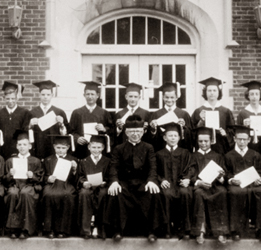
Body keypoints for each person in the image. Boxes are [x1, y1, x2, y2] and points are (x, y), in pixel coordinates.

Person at [104, 115, 166, 242]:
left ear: (143, 132)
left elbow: (153, 167)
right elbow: (113, 167)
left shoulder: (148, 147)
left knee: (153, 192)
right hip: (125, 182)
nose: (135, 134)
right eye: (132, 131)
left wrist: (151, 181)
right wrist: (114, 181)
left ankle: (152, 231)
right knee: (116, 192)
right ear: (126, 132)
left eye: (138, 131)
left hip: (143, 182)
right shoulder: (119, 148)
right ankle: (117, 230)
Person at [189, 127, 229, 244]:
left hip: (215, 185)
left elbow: (224, 175)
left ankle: (220, 231)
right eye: (200, 141)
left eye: (206, 141)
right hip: (201, 186)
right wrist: (198, 182)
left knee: (222, 192)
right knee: (198, 194)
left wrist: (221, 176)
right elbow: (190, 174)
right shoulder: (193, 156)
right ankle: (200, 231)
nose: (203, 144)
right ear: (197, 141)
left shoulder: (217, 156)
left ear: (211, 141)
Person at [3, 130, 43, 239]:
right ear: (16, 146)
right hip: (14, 186)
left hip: (29, 187)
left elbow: (40, 180)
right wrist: (10, 175)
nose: (22, 147)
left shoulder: (35, 161)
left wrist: (32, 176)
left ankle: (25, 230)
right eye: (19, 145)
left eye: (25, 144)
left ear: (30, 146)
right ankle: (13, 229)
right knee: (12, 193)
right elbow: (4, 180)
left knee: (25, 193)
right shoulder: (11, 161)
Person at [156, 122, 192, 239]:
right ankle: (167, 229)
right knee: (166, 194)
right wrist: (161, 180)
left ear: (179, 137)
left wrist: (187, 179)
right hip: (167, 184)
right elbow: (154, 170)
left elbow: (191, 168)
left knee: (185, 193)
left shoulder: (185, 152)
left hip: (180, 183)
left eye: (175, 135)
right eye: (170, 135)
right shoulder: (159, 154)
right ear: (164, 137)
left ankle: (183, 229)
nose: (173, 138)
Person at [225, 125, 261, 240]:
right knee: (235, 193)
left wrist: (259, 179)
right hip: (237, 185)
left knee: (260, 192)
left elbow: (260, 171)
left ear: (249, 140)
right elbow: (226, 172)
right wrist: (231, 180)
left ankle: (259, 229)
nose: (241, 142)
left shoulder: (255, 154)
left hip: (253, 184)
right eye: (239, 139)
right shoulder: (228, 155)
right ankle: (236, 230)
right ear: (234, 139)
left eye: (244, 139)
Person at [42, 135, 78, 238]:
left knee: (68, 196)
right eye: (58, 148)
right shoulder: (48, 160)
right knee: (48, 195)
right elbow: (43, 175)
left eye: (63, 148)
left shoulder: (73, 159)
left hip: (67, 185)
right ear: (54, 147)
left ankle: (63, 230)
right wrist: (48, 179)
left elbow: (76, 179)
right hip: (52, 185)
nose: (61, 150)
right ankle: (49, 229)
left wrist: (75, 169)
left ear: (68, 147)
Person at [77, 135, 110, 239]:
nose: (96, 150)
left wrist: (105, 182)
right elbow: (80, 176)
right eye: (94, 147)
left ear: (103, 148)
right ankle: (85, 230)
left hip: (102, 187)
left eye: (99, 147)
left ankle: (101, 230)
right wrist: (84, 183)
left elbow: (110, 176)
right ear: (89, 147)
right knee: (84, 193)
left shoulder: (107, 161)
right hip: (89, 187)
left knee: (104, 194)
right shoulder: (83, 161)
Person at [70, 81, 114, 159]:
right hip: (81, 149)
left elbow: (111, 130)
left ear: (98, 95)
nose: (90, 97)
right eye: (88, 94)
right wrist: (77, 138)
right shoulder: (77, 112)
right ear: (84, 95)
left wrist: (104, 129)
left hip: (98, 150)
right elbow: (71, 131)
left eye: (92, 94)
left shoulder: (104, 113)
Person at [191, 77, 235, 155]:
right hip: (203, 148)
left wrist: (225, 134)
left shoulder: (226, 111)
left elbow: (232, 131)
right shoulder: (198, 111)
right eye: (209, 90)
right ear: (205, 92)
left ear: (219, 92)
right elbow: (192, 132)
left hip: (221, 147)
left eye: (214, 90)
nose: (212, 93)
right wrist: (201, 121)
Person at [29, 80, 69, 160]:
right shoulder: (32, 112)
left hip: (53, 148)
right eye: (43, 94)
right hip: (37, 148)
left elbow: (66, 133)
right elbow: (27, 132)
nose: (45, 97)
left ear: (52, 95)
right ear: (39, 95)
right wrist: (30, 125)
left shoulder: (59, 112)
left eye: (48, 94)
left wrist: (62, 125)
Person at [149, 82, 193, 152]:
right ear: (163, 97)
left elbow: (190, 137)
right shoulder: (156, 114)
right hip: (161, 150)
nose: (169, 100)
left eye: (172, 97)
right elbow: (151, 138)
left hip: (180, 151)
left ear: (176, 97)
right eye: (166, 97)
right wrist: (153, 129)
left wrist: (184, 127)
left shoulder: (184, 114)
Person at [0, 81, 31, 160]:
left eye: (13, 98)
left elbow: (25, 131)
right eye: (8, 98)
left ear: (17, 98)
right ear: (4, 98)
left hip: (18, 149)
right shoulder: (1, 112)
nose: (10, 101)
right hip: (2, 149)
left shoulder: (24, 112)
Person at [237, 80, 261, 153]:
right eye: (252, 94)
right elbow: (238, 132)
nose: (254, 97)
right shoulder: (243, 113)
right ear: (248, 96)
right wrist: (244, 126)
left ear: (260, 96)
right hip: (249, 145)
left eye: (257, 94)